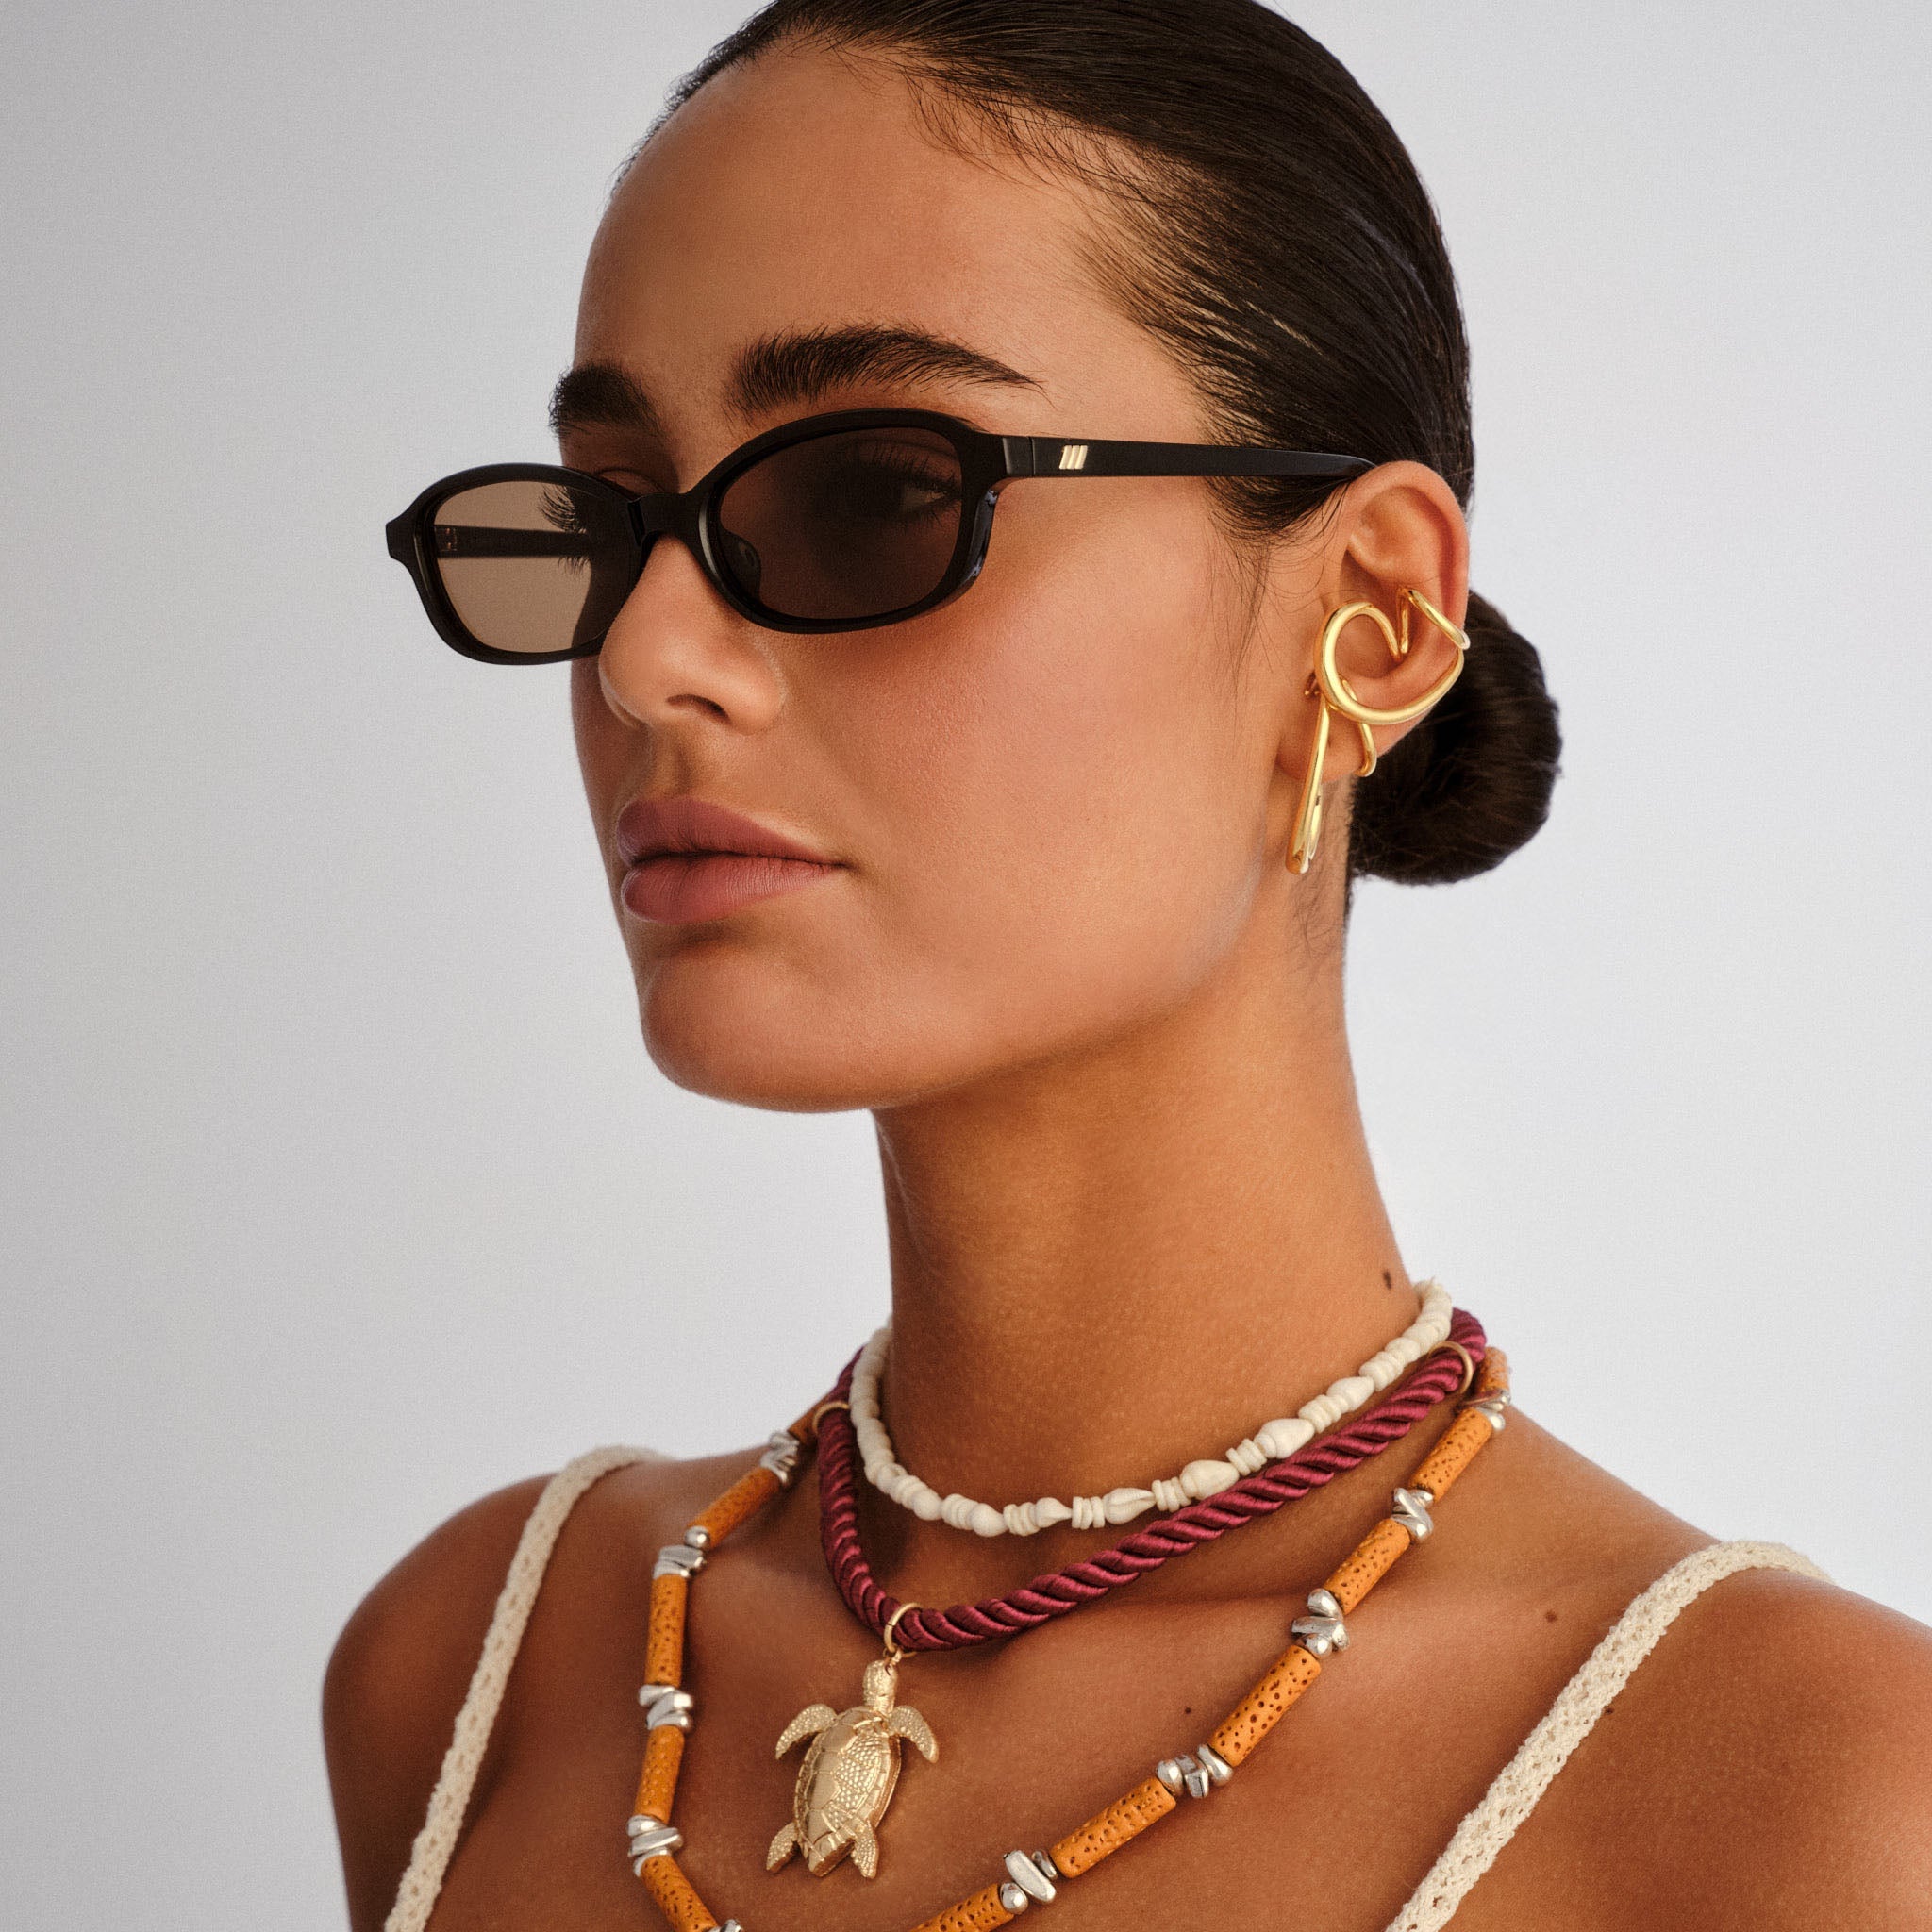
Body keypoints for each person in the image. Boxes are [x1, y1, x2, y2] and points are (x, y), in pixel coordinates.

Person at [326, 5, 1932, 1927]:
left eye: (875, 493)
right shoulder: (481, 1669)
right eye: (607, 520)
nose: (646, 656)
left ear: (1370, 623)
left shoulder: (1810, 1798)